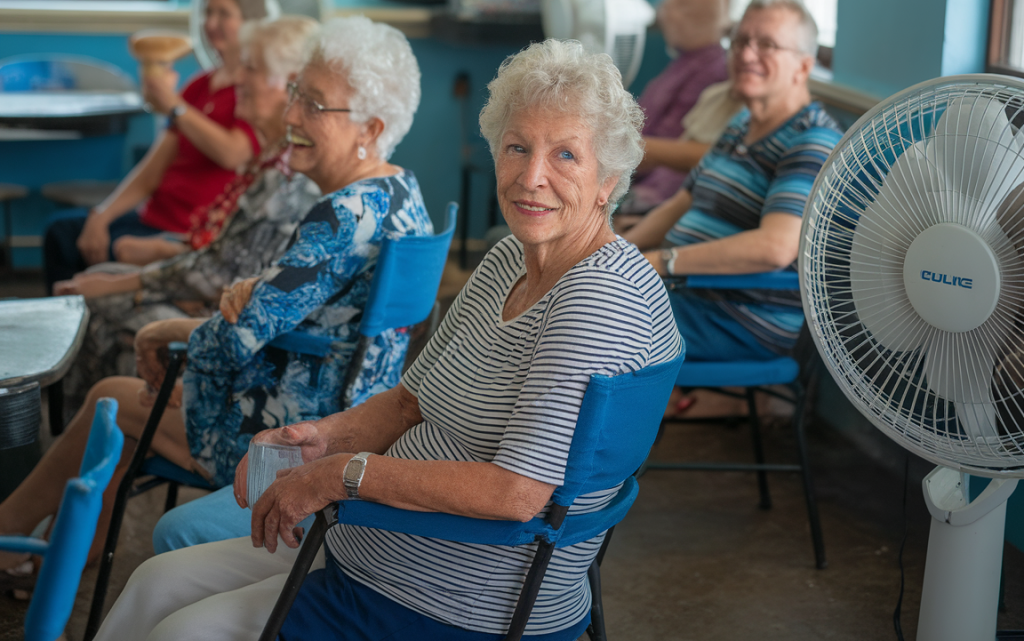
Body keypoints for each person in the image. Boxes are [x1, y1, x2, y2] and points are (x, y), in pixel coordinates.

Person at [93, 38, 683, 641]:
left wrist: (343, 474)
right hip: (373, 541)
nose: (532, 178)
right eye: (517, 147)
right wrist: (322, 438)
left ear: (608, 180)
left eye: (565, 155)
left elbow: (517, 493)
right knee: (154, 581)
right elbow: (406, 403)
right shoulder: (509, 258)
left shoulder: (597, 300)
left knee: (182, 632)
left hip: (456, 596)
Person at [0, 16, 431, 572]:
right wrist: (257, 291)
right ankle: (58, 555)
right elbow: (314, 307)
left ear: (369, 128)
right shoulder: (403, 194)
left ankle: (12, 536)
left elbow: (232, 342)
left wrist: (164, 331)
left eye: (314, 104)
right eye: (295, 93)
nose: (291, 115)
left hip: (290, 439)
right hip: (345, 417)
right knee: (131, 407)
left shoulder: (342, 216)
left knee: (113, 397)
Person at [50, 16, 323, 404]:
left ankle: (106, 419)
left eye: (251, 68)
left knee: (93, 296)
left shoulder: (285, 175)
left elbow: (223, 275)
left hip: (228, 319)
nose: (238, 78)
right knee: (95, 284)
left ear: (290, 83)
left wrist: (127, 282)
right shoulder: (270, 157)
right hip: (211, 291)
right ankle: (108, 420)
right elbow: (226, 254)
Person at [623, 0, 843, 416]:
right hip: (691, 296)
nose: (746, 54)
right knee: (574, 291)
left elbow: (775, 247)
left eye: (767, 44)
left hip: (740, 318)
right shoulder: (741, 124)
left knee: (585, 318)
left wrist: (661, 262)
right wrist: (621, 252)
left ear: (803, 66)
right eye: (741, 41)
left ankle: (575, 452)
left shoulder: (812, 141)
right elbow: (682, 202)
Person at [42, 0, 267, 290]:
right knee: (61, 233)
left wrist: (174, 106)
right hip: (151, 216)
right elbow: (151, 170)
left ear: (251, 23)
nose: (210, 23)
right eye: (207, 12)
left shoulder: (255, 92)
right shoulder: (198, 86)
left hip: (187, 232)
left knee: (101, 250)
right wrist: (102, 214)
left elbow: (233, 154)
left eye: (223, 14)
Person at [617, 0, 731, 216]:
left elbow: (666, 143)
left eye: (669, 9)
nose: (664, 17)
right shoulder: (686, 62)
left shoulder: (711, 72)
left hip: (655, 190)